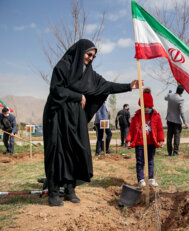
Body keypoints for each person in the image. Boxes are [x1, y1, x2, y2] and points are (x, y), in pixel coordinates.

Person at [43, 39, 140, 207]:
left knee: (76, 150)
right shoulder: (63, 66)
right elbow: (55, 90)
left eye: (93, 56)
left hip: (75, 116)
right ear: (80, 52)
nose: (90, 59)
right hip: (57, 114)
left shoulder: (89, 74)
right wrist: (78, 96)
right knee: (57, 151)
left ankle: (69, 189)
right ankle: (53, 192)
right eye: (89, 54)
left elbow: (106, 86)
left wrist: (128, 86)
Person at [126, 88, 164, 188]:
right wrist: (129, 140)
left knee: (150, 160)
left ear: (151, 105)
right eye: (144, 106)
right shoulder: (137, 116)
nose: (146, 109)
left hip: (151, 143)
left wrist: (161, 140)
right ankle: (141, 179)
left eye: (148, 107)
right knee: (140, 162)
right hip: (139, 143)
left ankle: (151, 178)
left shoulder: (156, 116)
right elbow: (131, 129)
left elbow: (160, 129)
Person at [165, 85, 188, 156]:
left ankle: (169, 152)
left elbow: (165, 98)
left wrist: (169, 93)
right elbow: (181, 112)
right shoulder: (181, 99)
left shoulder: (170, 96)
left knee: (169, 136)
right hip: (177, 121)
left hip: (169, 119)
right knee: (177, 137)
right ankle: (175, 152)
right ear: (182, 92)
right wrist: (184, 122)